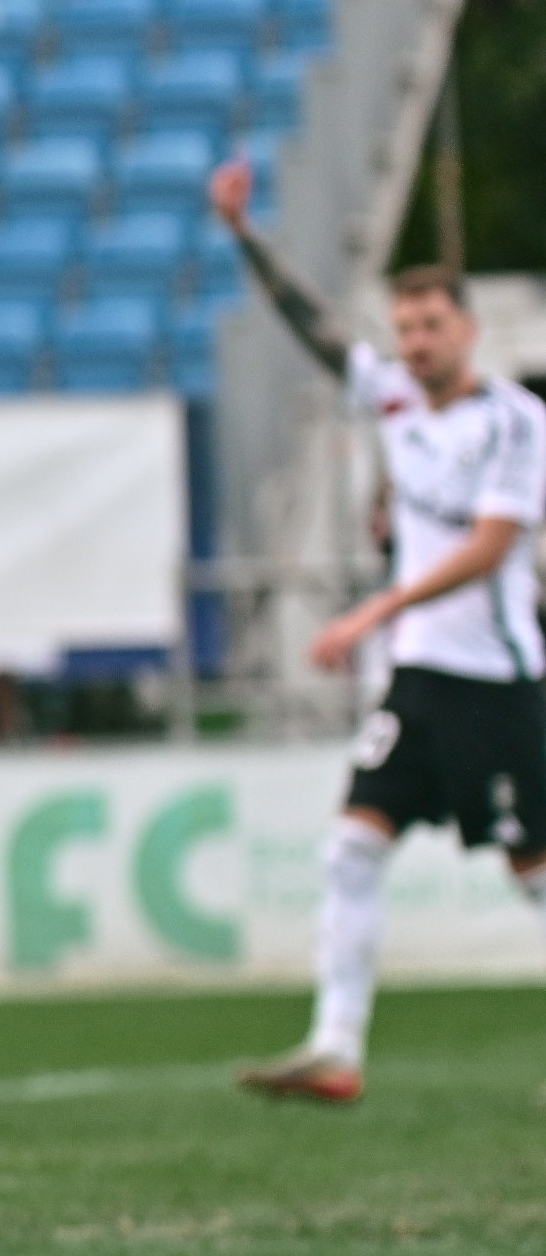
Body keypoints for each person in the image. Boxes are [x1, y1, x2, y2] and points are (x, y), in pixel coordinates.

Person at [211, 159, 546, 1102]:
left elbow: (491, 547)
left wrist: (377, 608)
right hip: (419, 680)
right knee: (352, 847)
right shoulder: (393, 399)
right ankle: (336, 1047)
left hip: (495, 680)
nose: (415, 343)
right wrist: (245, 236)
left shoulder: (516, 424)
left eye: (431, 325)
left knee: (532, 871)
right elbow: (315, 327)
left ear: (467, 329)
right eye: (403, 328)